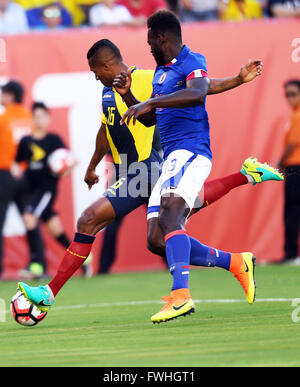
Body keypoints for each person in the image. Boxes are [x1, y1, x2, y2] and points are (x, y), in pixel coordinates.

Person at [17, 38, 283, 317]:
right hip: (130, 171)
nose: (95, 78)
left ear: (107, 65)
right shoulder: (109, 91)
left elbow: (200, 87)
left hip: (142, 169)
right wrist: (93, 165)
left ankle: (49, 293)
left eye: (96, 72)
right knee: (161, 239)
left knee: (88, 220)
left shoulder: (143, 77)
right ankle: (236, 252)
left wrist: (238, 79)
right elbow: (105, 128)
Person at [119, 10, 279, 323]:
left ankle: (181, 295)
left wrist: (151, 102)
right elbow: (151, 118)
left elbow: (197, 92)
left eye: (150, 39)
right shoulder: (161, 73)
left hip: (191, 150)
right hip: (172, 159)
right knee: (155, 239)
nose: (148, 45)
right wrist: (128, 96)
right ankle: (235, 262)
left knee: (171, 215)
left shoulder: (192, 60)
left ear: (161, 37)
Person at [14, 102, 76, 278]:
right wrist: (15, 172)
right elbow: (17, 164)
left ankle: (36, 265)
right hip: (31, 191)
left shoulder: (54, 140)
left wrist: (65, 168)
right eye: (36, 116)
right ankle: (84, 260)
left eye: (42, 116)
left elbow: (69, 161)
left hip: (46, 190)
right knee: (54, 229)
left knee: (29, 219)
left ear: (48, 118)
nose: (39, 120)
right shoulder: (26, 141)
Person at [0, 80, 33, 279]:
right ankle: (38, 263)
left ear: (10, 95)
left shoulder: (4, 120)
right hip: (27, 175)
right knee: (30, 219)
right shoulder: (29, 118)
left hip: (6, 174)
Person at [278, 80, 300, 264]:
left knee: (292, 211)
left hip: (296, 167)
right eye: (288, 95)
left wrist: (281, 162)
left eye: (293, 94)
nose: (290, 99)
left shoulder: (297, 116)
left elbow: (293, 143)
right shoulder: (295, 115)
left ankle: (291, 254)